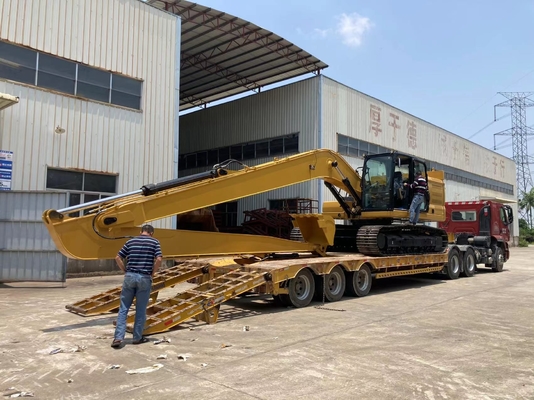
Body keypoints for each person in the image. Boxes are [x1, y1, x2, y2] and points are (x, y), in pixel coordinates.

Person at [111, 224, 162, 348]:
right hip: (144, 277)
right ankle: (137, 337)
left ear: (141, 232)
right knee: (140, 309)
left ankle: (118, 338)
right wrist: (152, 273)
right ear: (152, 233)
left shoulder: (131, 241)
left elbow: (117, 257)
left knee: (123, 308)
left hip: (130, 276)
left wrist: (125, 270)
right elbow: (159, 259)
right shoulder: (155, 242)